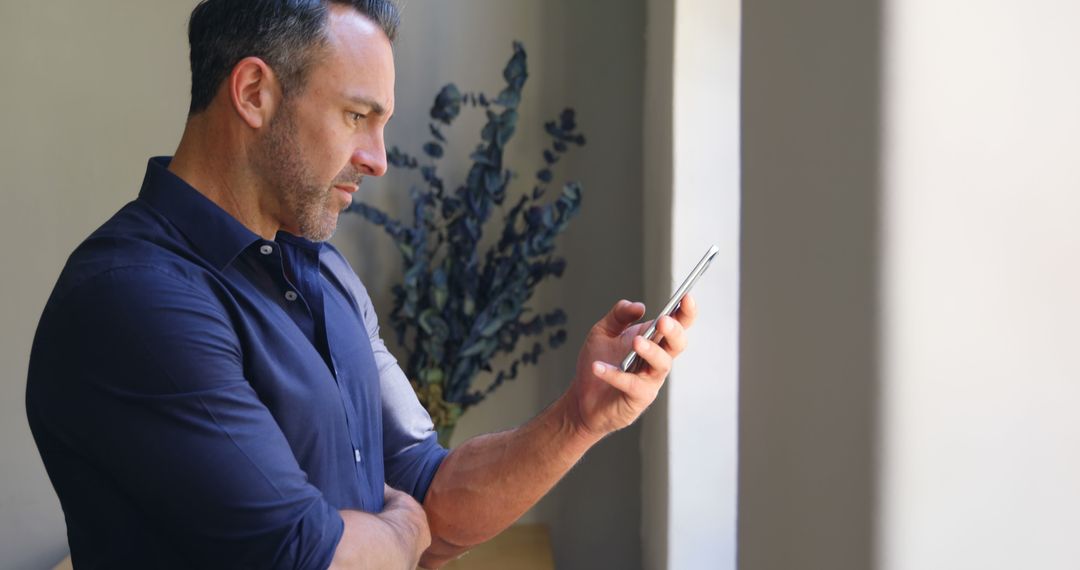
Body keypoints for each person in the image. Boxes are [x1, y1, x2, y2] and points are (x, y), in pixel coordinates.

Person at [24, 1, 696, 568]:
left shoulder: (325, 276)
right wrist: (405, 532)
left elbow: (434, 491)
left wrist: (581, 416)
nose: (376, 159)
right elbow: (306, 555)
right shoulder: (131, 299)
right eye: (356, 117)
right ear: (254, 93)